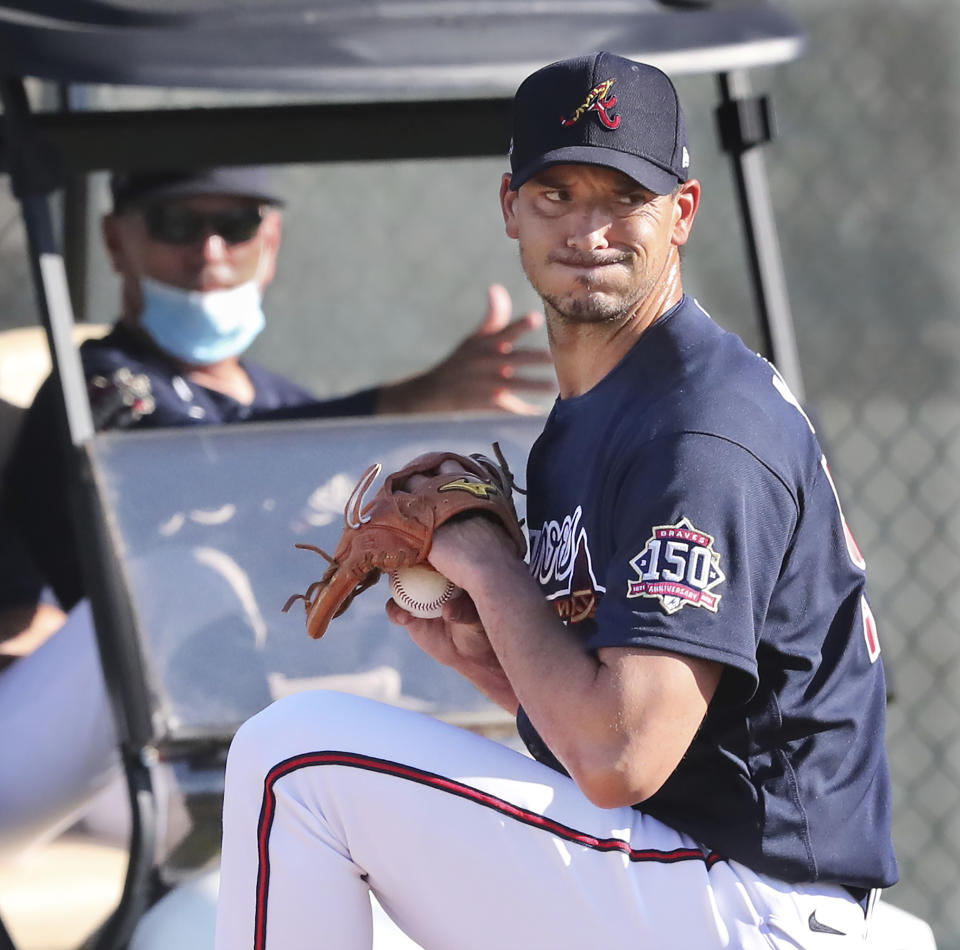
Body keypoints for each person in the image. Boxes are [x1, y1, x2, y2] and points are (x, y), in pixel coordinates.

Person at [214, 52, 898, 949]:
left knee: (290, 760)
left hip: (753, 902)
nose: (589, 228)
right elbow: (605, 722)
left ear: (681, 213)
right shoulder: (601, 414)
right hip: (690, 879)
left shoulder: (697, 431)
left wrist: (490, 565)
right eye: (556, 195)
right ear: (510, 208)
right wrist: (489, 652)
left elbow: (622, 758)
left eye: (624, 196)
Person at [0, 165, 554, 659]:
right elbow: (194, 469)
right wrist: (410, 401)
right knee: (184, 581)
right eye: (176, 223)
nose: (210, 251)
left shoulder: (286, 405)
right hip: (84, 695)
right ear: (115, 241)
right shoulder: (95, 382)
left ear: (270, 240)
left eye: (237, 225)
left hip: (243, 709)